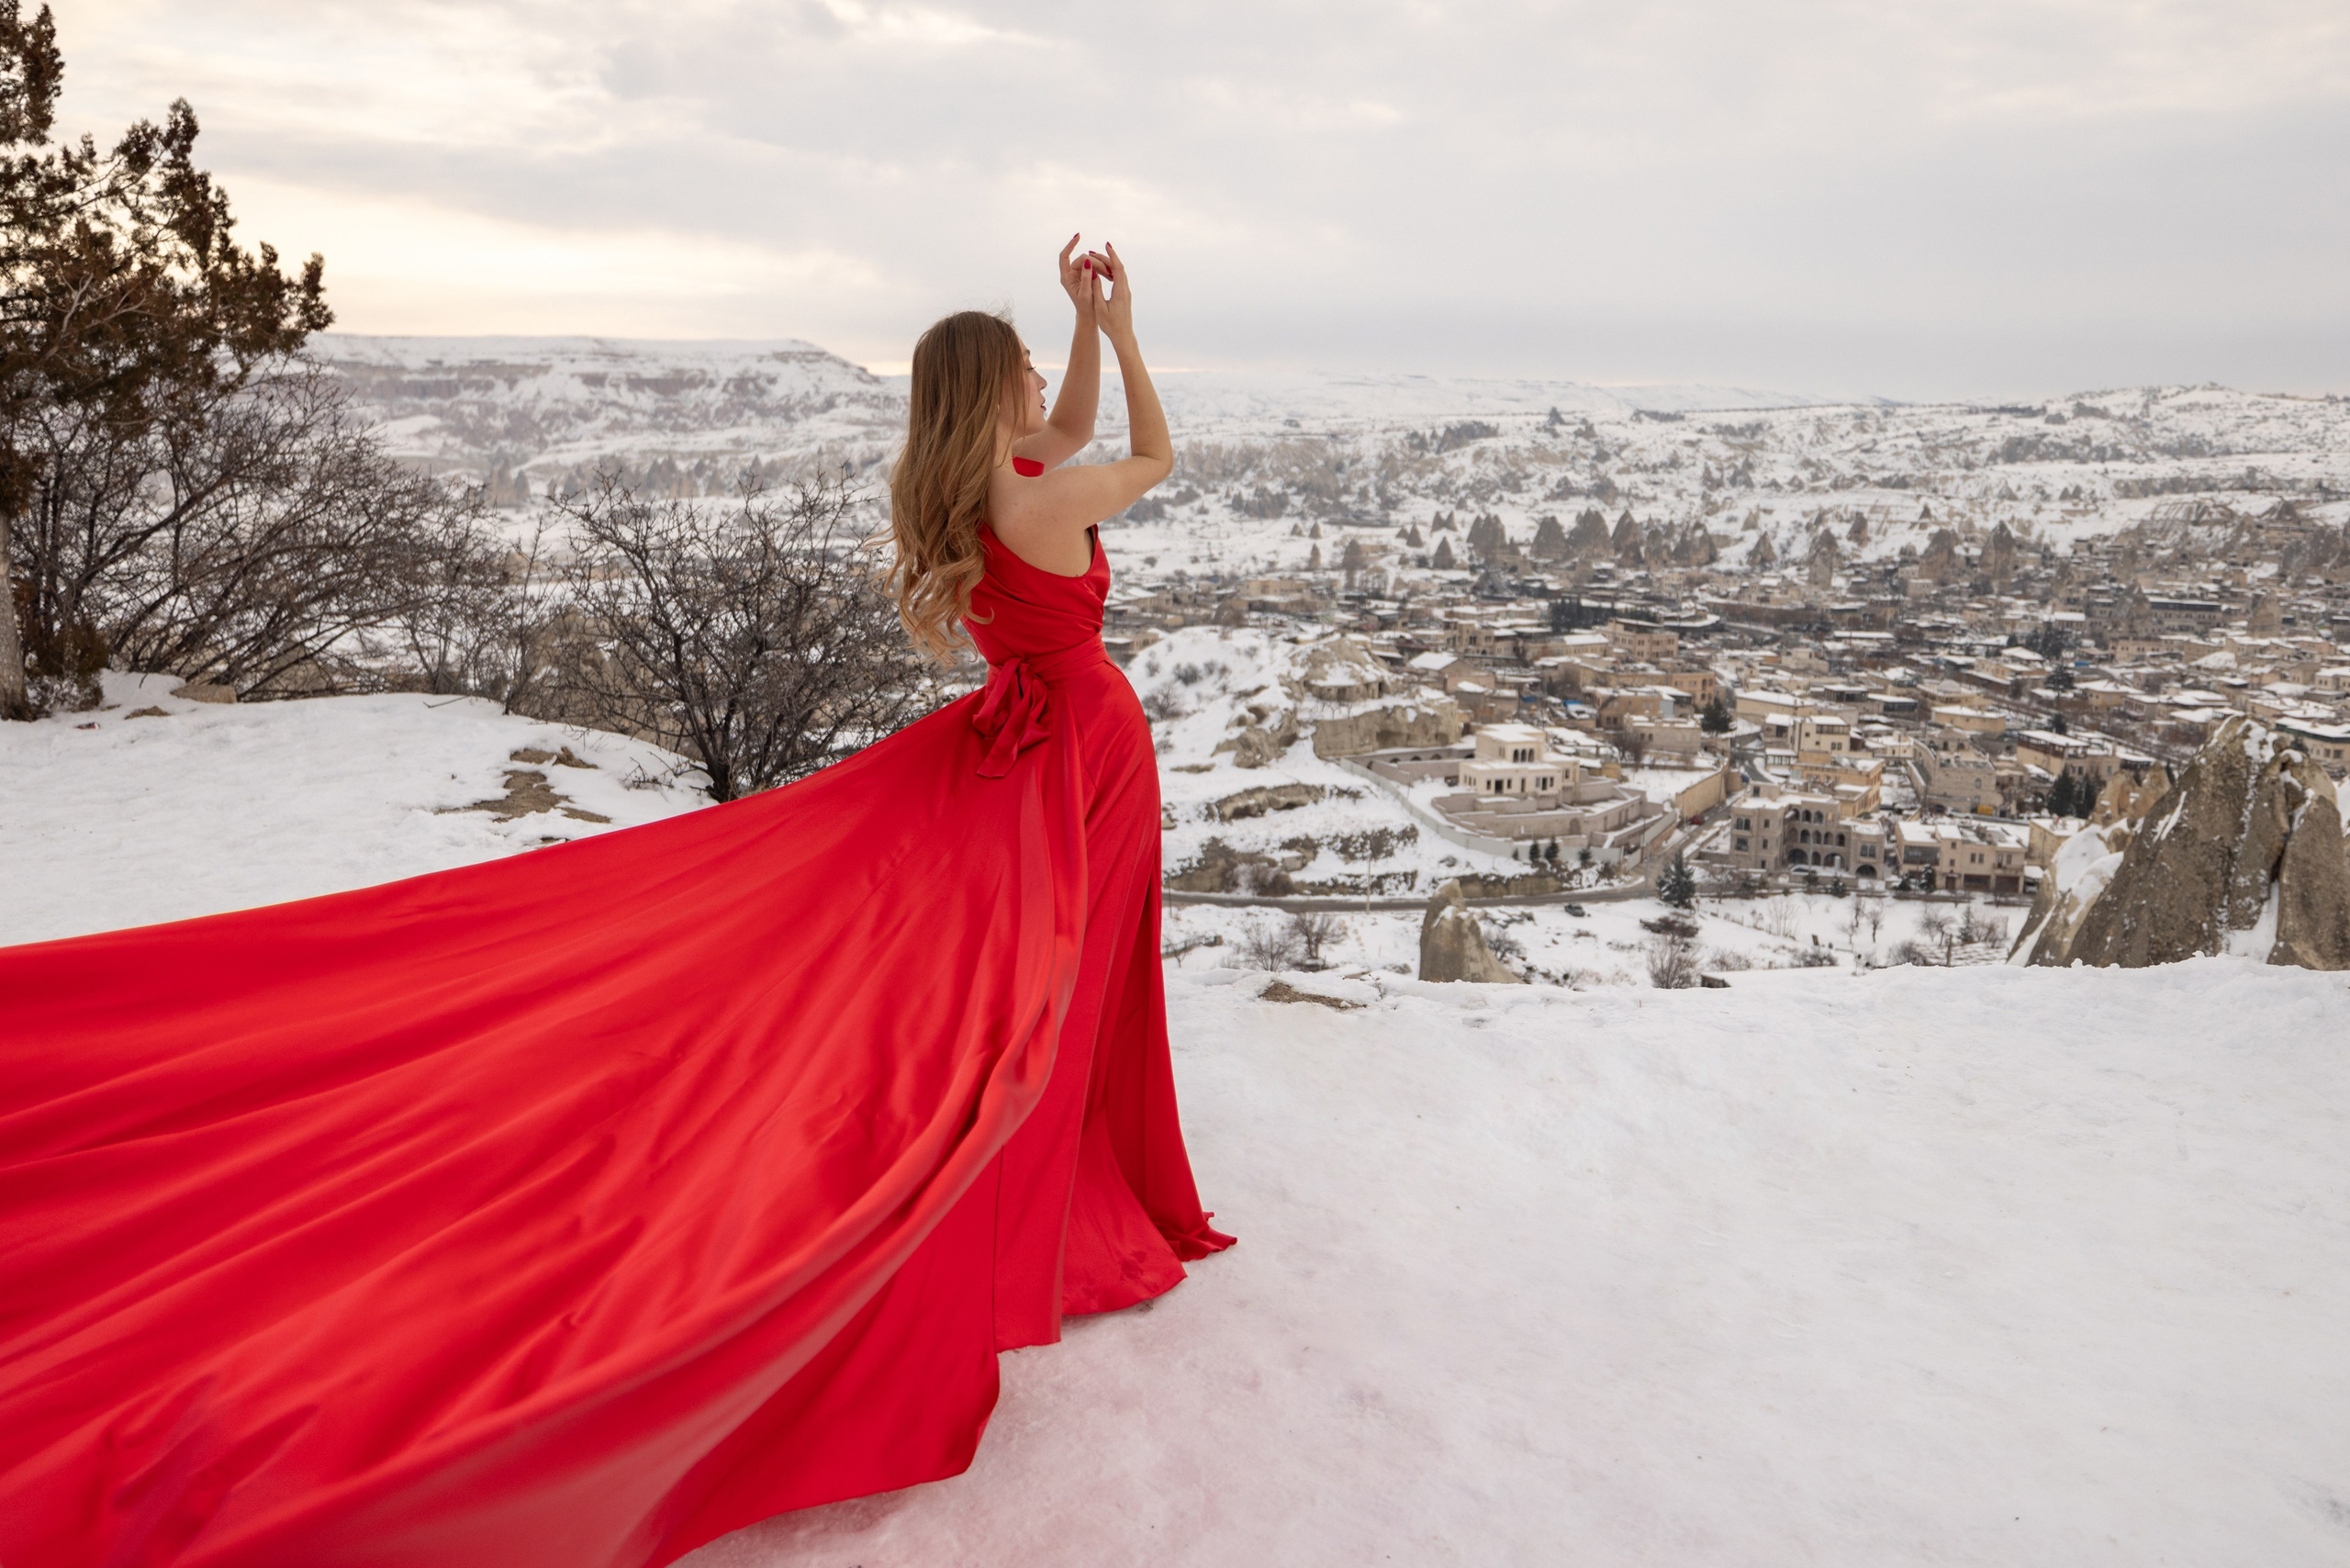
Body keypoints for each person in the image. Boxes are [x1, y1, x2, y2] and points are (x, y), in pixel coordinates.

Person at [0, 236, 1230, 1568]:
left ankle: (1054, 1161)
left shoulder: (979, 478)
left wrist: (1090, 320)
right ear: (994, 386)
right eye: (1033, 363)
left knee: (1038, 964)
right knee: (1066, 965)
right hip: (1083, 748)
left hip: (1030, 742)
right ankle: (1046, 1183)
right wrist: (1137, 336)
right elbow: (1148, 455)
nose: (1051, 375)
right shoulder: (1040, 485)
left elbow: (1070, 430)